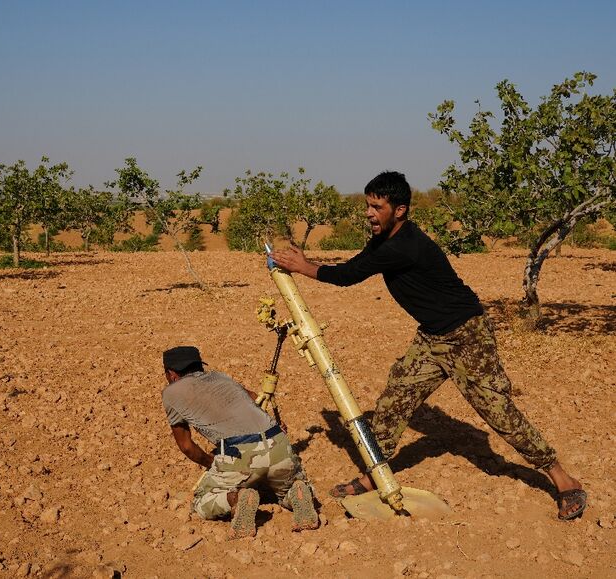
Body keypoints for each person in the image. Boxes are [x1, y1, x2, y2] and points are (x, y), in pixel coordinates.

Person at [271, 171, 586, 521]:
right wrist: (308, 262)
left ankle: (562, 478)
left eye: (377, 206)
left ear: (400, 210)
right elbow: (356, 264)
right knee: (395, 399)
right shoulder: (384, 238)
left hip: (466, 336)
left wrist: (303, 267)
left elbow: (348, 276)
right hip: (431, 337)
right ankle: (374, 474)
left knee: (499, 413)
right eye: (367, 205)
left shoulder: (404, 245)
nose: (369, 213)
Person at [161, 345, 320, 538]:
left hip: (241, 455)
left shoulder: (171, 393)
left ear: (171, 374)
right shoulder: (220, 377)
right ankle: (295, 493)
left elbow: (186, 446)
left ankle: (235, 498)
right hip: (278, 443)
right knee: (285, 488)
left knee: (201, 502)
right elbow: (255, 398)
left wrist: (211, 462)